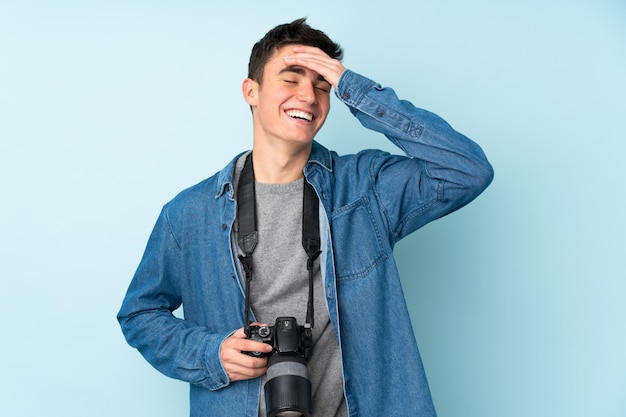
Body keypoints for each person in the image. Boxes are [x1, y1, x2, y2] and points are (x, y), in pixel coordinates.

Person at [117, 18, 493, 417]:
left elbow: (467, 170)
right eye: (291, 78)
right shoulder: (190, 213)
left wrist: (353, 87)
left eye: (322, 85)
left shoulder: (365, 188)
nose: (309, 97)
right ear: (252, 91)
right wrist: (212, 353)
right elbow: (140, 314)